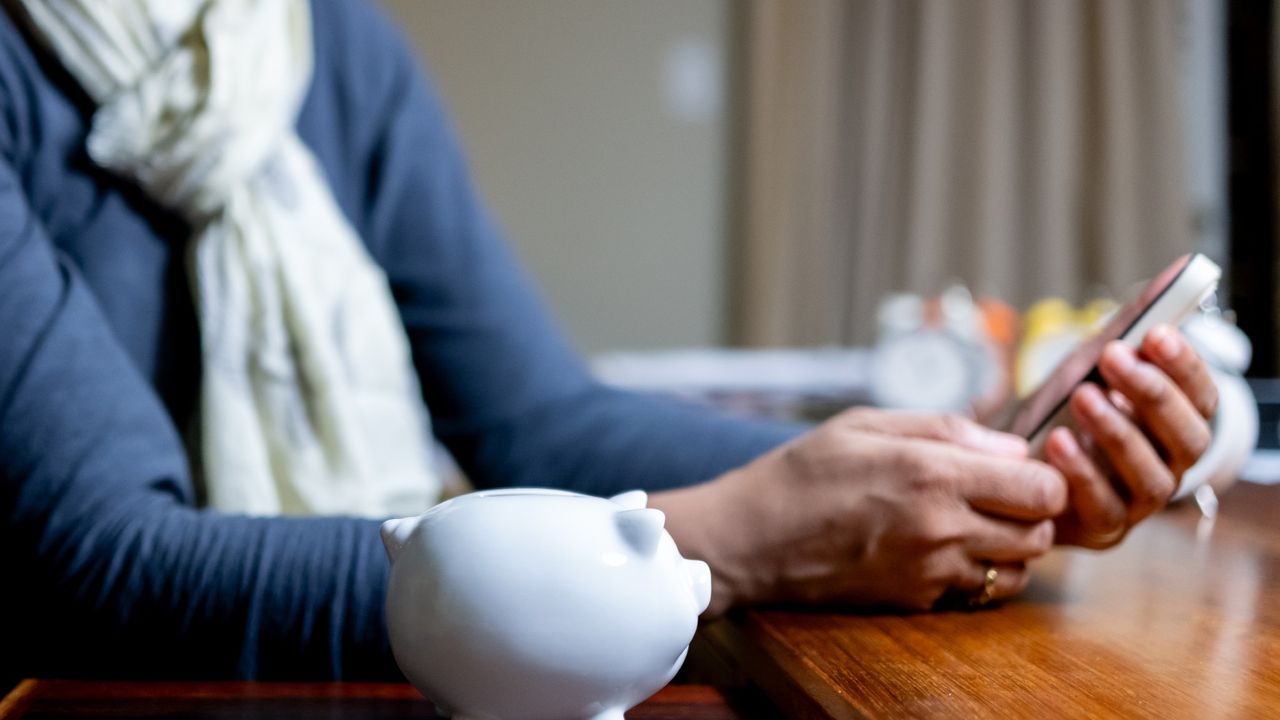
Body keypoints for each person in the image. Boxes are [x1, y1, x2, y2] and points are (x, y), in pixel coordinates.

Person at [0, 0, 1215, 684]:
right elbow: (102, 571)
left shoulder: (330, 49)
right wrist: (708, 547)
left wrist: (962, 458)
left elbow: (539, 421)